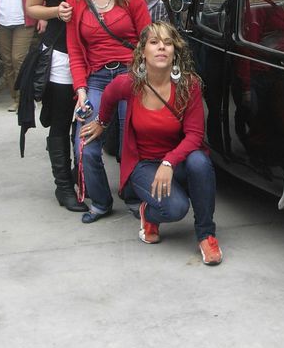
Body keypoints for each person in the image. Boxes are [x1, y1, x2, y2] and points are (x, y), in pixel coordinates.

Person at [82, 20, 222, 265]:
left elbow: (194, 136)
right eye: (154, 42)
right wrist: (101, 123)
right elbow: (109, 95)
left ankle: (206, 235)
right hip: (144, 164)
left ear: (175, 51)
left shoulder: (189, 85)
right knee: (176, 209)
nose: (161, 48)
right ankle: (149, 214)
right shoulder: (129, 83)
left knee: (200, 161)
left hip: (177, 161)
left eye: (168, 43)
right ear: (143, 51)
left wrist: (169, 162)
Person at [66, 0, 151, 223]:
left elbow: (147, 43)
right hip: (98, 80)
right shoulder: (75, 2)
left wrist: (144, 79)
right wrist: (80, 91)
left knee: (133, 139)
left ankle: (132, 195)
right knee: (85, 143)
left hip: (131, 76)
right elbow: (76, 53)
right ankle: (100, 201)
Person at [25, 0, 88, 213]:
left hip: (93, 54)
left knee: (88, 122)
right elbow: (31, 7)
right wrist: (55, 12)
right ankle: (63, 186)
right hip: (62, 54)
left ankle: (84, 177)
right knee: (63, 120)